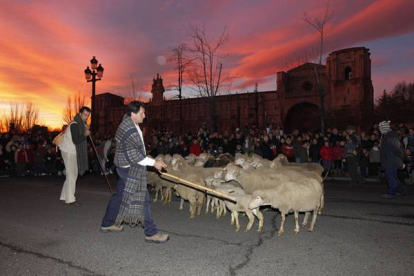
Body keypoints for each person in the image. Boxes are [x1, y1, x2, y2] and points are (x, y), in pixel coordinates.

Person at [100, 101, 169, 243]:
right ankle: (151, 232)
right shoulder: (128, 128)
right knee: (142, 197)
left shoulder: (131, 123)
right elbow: (134, 155)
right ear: (133, 114)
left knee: (119, 195)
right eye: (142, 113)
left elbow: (137, 150)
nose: (145, 115)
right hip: (129, 167)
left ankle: (107, 223)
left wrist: (149, 159)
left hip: (124, 165)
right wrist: (154, 163)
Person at [58, 106, 91, 205]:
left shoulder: (80, 124)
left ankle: (64, 196)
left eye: (88, 116)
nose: (86, 117)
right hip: (68, 151)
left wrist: (85, 131)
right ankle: (70, 199)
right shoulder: (75, 124)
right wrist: (85, 134)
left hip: (71, 151)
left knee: (71, 174)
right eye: (85, 114)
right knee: (72, 175)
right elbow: (76, 140)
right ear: (80, 113)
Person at [379, 121, 407, 198]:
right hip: (389, 159)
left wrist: (399, 159)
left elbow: (396, 148)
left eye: (381, 127)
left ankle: (391, 192)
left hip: (391, 160)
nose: (379, 129)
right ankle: (401, 190)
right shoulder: (387, 135)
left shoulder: (390, 136)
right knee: (393, 176)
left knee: (390, 176)